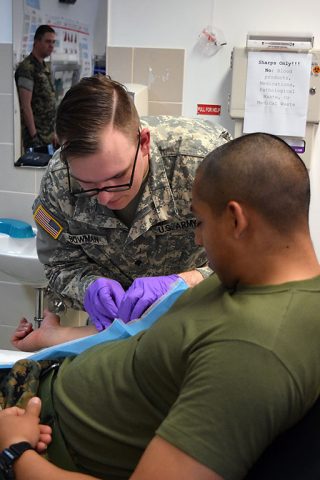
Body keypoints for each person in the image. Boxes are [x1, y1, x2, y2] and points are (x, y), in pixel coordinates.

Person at [2, 132, 320, 480]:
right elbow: (143, 339)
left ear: (235, 220)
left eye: (199, 222)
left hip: (45, 444)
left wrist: (14, 453)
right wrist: (55, 337)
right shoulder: (254, 278)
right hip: (42, 388)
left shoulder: (254, 351)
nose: (198, 238)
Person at [20, 74, 231, 348]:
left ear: (143, 142)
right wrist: (88, 287)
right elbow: (59, 265)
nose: (106, 197)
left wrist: (186, 282)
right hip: (115, 336)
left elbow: (255, 258)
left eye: (119, 177)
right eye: (89, 185)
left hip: (202, 328)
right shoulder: (60, 180)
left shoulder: (203, 162)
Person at [14, 25, 57, 152]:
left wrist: (52, 133)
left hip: (47, 136)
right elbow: (25, 105)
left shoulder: (43, 66)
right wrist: (34, 137)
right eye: (48, 41)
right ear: (37, 42)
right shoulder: (27, 68)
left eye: (53, 42)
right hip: (36, 138)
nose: (51, 46)